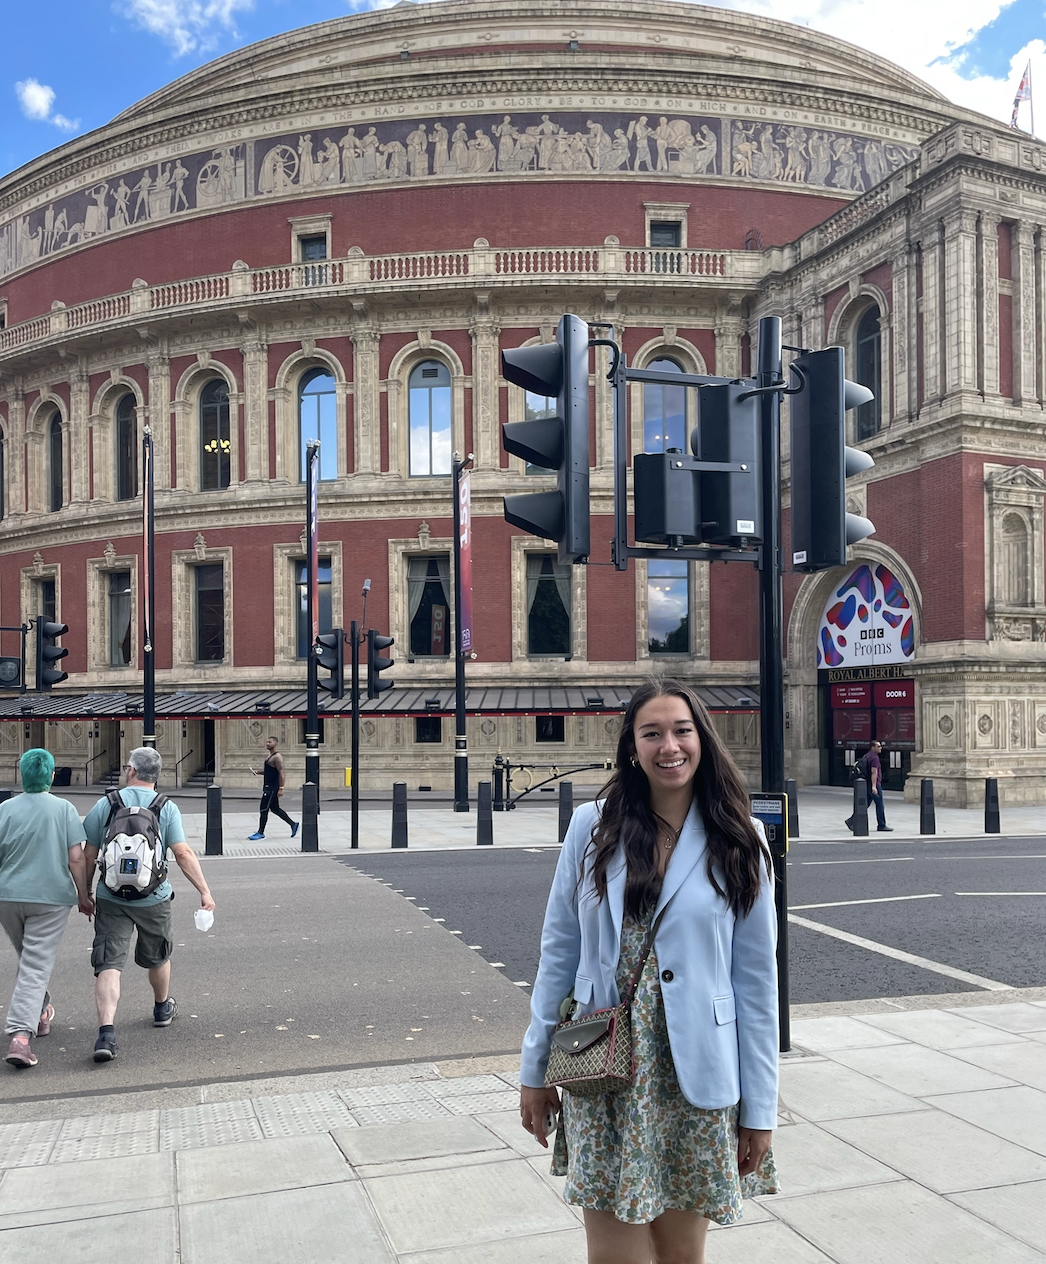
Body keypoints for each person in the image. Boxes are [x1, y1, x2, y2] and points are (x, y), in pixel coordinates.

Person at [520, 678, 779, 1262]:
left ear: (702, 739)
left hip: (695, 1076)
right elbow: (558, 952)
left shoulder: (741, 838)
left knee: (680, 1255)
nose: (670, 746)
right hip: (605, 1070)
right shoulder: (592, 827)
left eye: (682, 731)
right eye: (652, 733)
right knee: (615, 1257)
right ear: (632, 748)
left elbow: (757, 985)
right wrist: (534, 1069)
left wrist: (760, 1109)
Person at [83, 747, 215, 1062]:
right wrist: (205, 891)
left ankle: (106, 1033)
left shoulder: (107, 803)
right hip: (153, 896)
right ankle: (161, 1007)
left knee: (109, 964)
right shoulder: (166, 807)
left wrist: (85, 892)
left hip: (111, 896)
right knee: (158, 956)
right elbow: (182, 853)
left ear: (131, 770)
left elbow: (88, 853)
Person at [0, 750, 93, 1069]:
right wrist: (83, 895)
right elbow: (76, 858)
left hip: (8, 896)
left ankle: (40, 1013)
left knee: (29, 960)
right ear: (51, 776)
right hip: (50, 898)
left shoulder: (4, 809)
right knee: (35, 965)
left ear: (22, 775)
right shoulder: (64, 809)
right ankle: (20, 1037)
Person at [249, 736, 298, 840]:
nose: (267, 744)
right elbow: (270, 771)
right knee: (275, 809)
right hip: (268, 786)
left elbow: (281, 772)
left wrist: (281, 788)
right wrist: (258, 772)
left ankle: (260, 832)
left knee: (264, 809)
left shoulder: (277, 757)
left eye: (270, 742)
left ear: (275, 744)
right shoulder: (270, 756)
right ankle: (293, 824)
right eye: (267, 742)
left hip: (271, 788)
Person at [865, 740, 891, 831]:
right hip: (875, 784)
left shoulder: (867, 756)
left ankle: (851, 821)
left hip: (867, 783)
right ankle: (881, 825)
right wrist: (874, 786)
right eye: (878, 746)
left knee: (865, 804)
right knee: (880, 804)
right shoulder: (874, 758)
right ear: (873, 747)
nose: (881, 748)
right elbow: (874, 772)